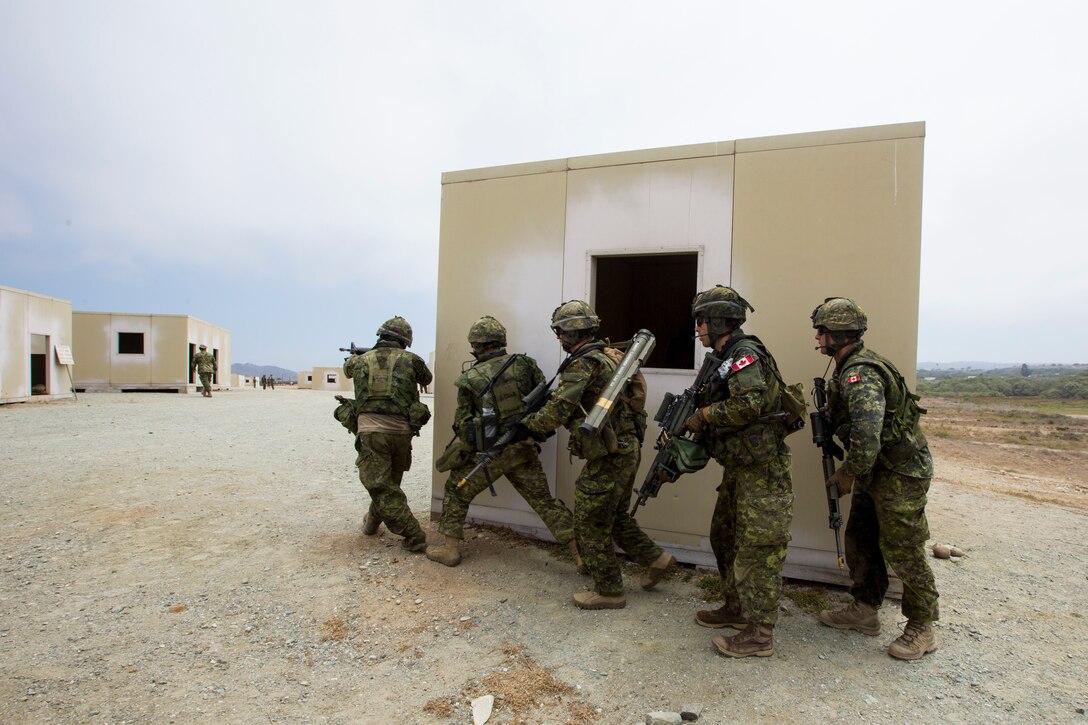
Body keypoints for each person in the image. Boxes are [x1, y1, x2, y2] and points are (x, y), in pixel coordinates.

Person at [520, 300, 675, 610]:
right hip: (626, 449)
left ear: (573, 332)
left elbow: (560, 408)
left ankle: (609, 590)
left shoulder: (582, 364)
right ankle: (656, 559)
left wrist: (528, 424)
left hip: (610, 454)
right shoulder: (610, 357)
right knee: (615, 516)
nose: (559, 339)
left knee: (590, 521)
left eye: (561, 332)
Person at [810, 297, 939, 660]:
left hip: (899, 471)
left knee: (903, 546)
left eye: (822, 330)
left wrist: (849, 473)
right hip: (876, 468)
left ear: (837, 334)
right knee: (862, 536)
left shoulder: (860, 373)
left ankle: (922, 625)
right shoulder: (847, 366)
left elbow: (867, 436)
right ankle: (865, 609)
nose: (817, 336)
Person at [680, 285, 794, 658]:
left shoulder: (745, 355)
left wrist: (705, 415)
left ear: (717, 321)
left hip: (761, 470)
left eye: (701, 321)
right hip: (739, 468)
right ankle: (736, 607)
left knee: (758, 549)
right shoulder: (722, 357)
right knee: (724, 537)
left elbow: (749, 404)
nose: (697, 329)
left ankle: (760, 633)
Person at [427, 316, 579, 569]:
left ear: (476, 345)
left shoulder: (470, 378)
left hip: (490, 454)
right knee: (544, 502)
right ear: (501, 341)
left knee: (456, 490)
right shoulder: (525, 364)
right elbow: (542, 398)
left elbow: (463, 424)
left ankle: (450, 549)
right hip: (522, 448)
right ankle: (580, 554)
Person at [345, 316, 433, 552]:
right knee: (388, 484)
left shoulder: (360, 361)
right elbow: (427, 378)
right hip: (402, 432)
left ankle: (413, 534)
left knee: (381, 485)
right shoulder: (412, 360)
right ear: (405, 341)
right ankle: (371, 523)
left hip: (372, 432)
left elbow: (347, 369)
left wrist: (360, 356)